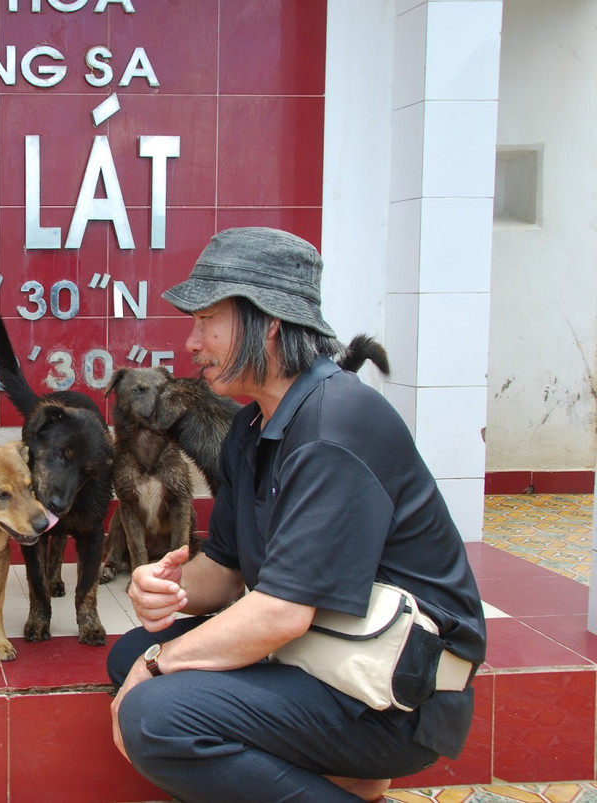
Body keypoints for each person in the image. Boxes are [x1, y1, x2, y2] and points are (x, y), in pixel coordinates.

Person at [106, 227, 486, 803]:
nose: (190, 342)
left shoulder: (336, 425)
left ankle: (350, 774)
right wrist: (166, 585)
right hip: (317, 650)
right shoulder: (251, 429)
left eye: (207, 319)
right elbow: (229, 569)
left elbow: (281, 613)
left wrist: (161, 667)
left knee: (155, 714)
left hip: (391, 690)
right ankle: (343, 782)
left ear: (269, 322)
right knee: (126, 655)